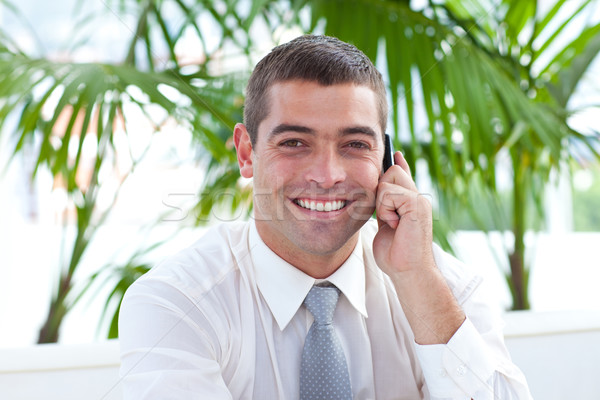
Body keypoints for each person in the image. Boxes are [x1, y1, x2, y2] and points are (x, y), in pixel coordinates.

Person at [119, 35, 532, 399]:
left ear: (387, 162)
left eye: (354, 144)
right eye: (295, 142)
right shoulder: (175, 302)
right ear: (247, 153)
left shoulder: (444, 288)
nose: (328, 175)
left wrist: (418, 281)